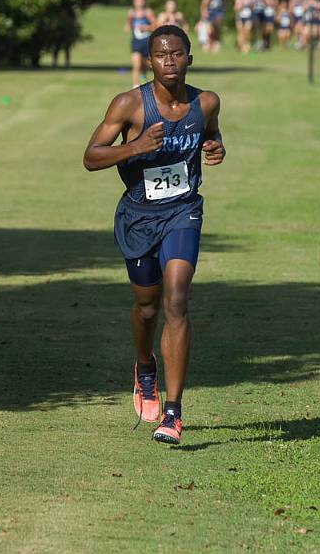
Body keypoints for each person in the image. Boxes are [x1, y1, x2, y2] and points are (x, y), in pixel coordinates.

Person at [82, 25, 227, 445]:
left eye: (177, 54)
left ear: (189, 59)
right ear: (149, 61)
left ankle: (173, 411)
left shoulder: (207, 102)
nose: (169, 61)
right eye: (161, 55)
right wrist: (136, 147)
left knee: (176, 298)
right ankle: (145, 367)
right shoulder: (130, 104)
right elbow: (91, 157)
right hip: (138, 217)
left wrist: (216, 147)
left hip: (183, 210)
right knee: (147, 308)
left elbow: (212, 135)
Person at [125, 0, 155, 88]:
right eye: (137, 0)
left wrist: (146, 28)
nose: (139, 2)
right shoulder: (131, 13)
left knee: (145, 64)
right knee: (136, 65)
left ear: (144, 1)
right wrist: (128, 26)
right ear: (134, 1)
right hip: (136, 42)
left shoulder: (148, 12)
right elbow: (128, 25)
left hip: (146, 41)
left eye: (141, 0)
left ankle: (143, 74)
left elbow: (156, 25)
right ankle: (135, 86)